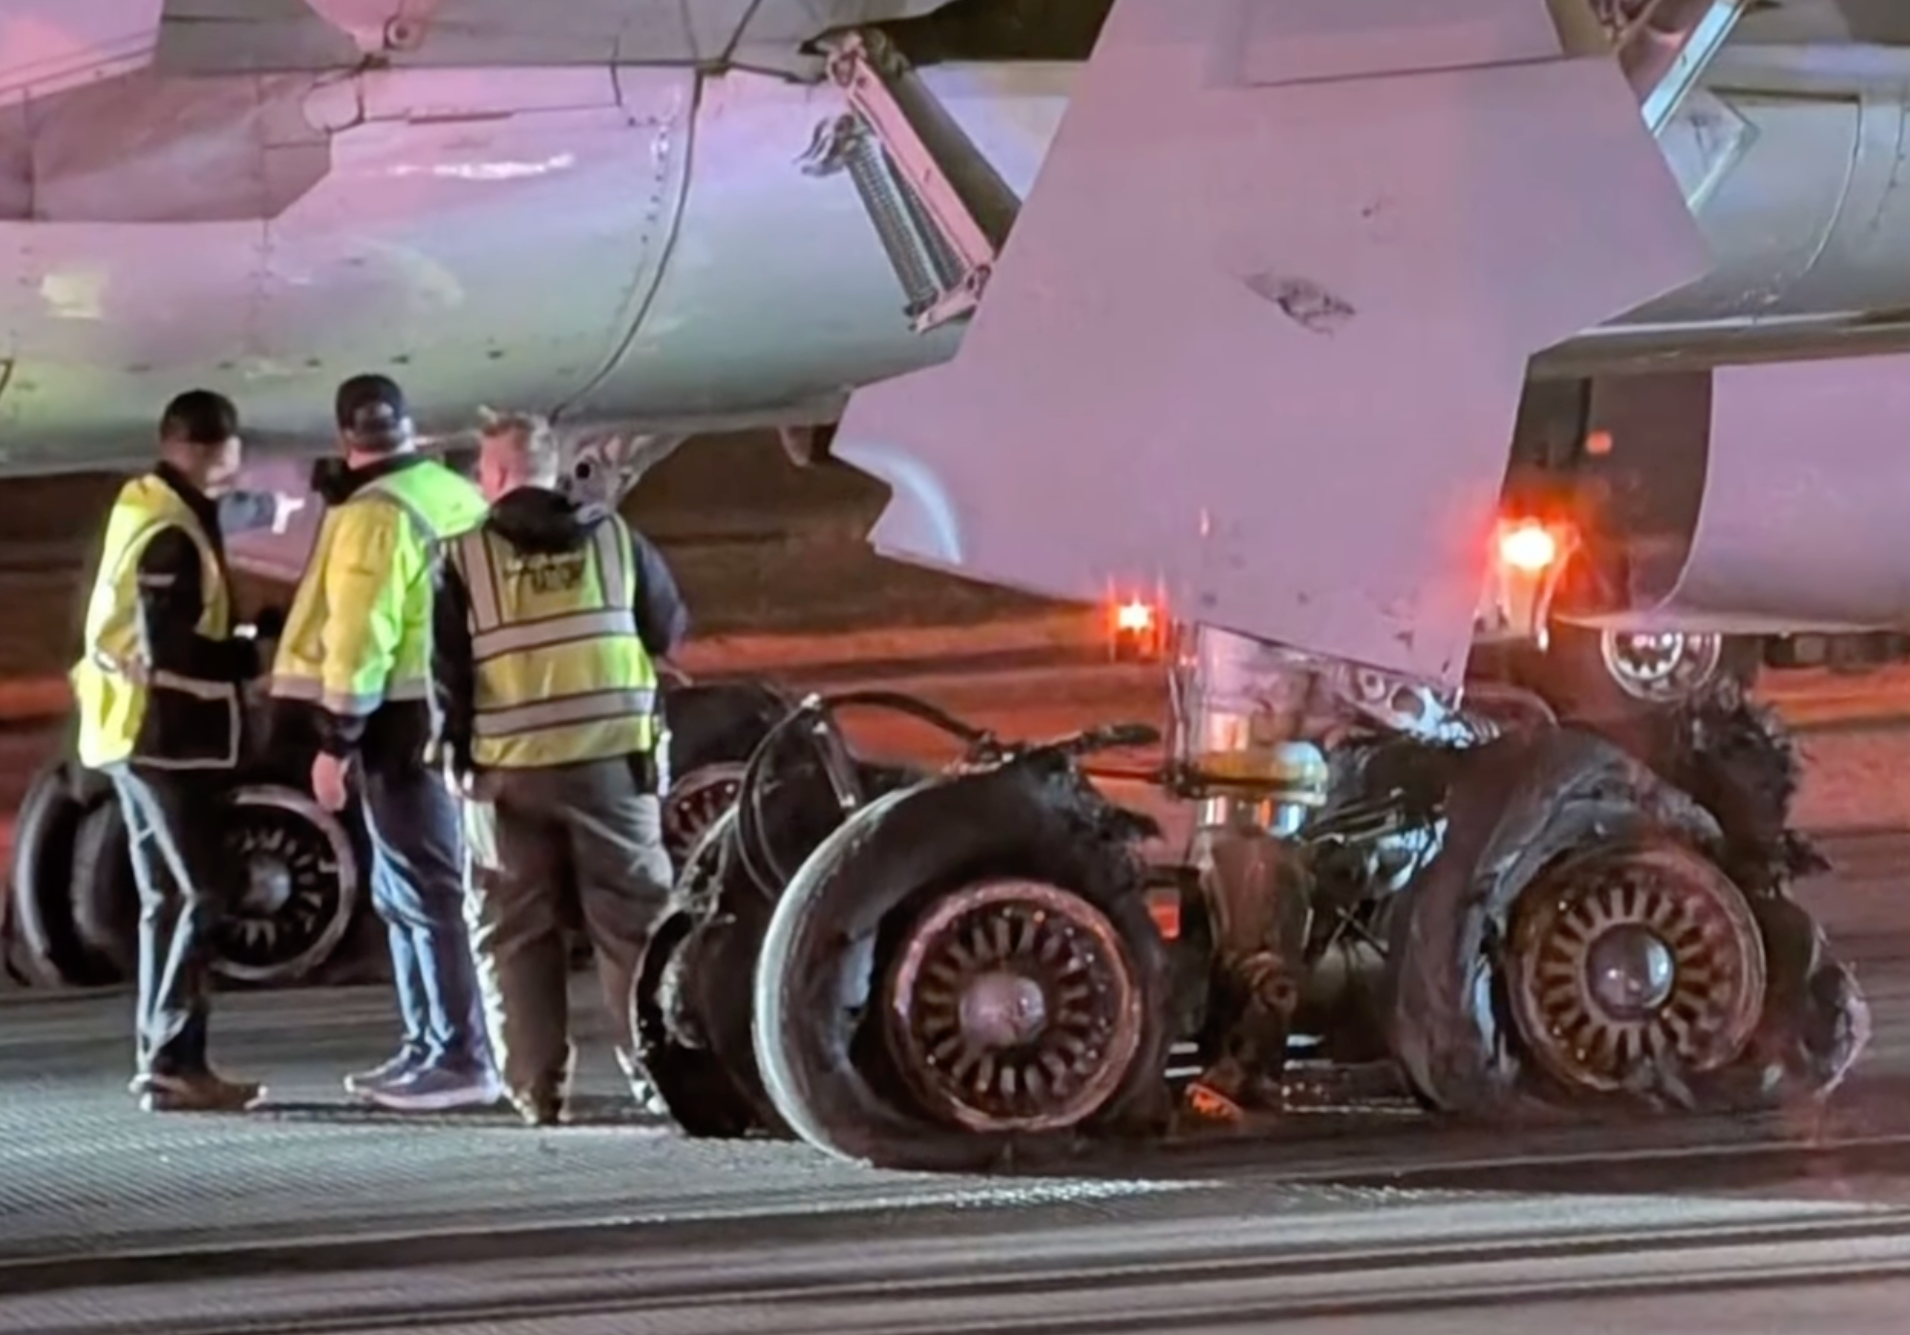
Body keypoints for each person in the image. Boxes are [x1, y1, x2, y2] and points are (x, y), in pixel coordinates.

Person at [435, 410, 688, 1126]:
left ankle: (538, 1091)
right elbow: (668, 628)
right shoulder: (613, 538)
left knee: (513, 935)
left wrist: (454, 758)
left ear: (496, 475)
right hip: (612, 766)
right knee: (635, 928)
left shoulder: (462, 558)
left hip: (506, 778)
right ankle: (663, 1076)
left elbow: (447, 676)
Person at [269, 373, 498, 1111]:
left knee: (424, 889)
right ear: (410, 425)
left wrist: (335, 741)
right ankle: (433, 1043)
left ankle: (459, 1053)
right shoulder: (454, 493)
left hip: (400, 724)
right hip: (456, 711)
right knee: (417, 886)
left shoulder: (373, 515)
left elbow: (360, 638)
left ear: (346, 438)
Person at [71, 390, 267, 1112]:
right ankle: (176, 1057)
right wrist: (249, 657)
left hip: (128, 730)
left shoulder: (145, 503)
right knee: (204, 891)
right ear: (220, 452)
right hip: (166, 736)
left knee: (165, 897)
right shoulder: (172, 532)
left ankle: (161, 1058)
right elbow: (172, 644)